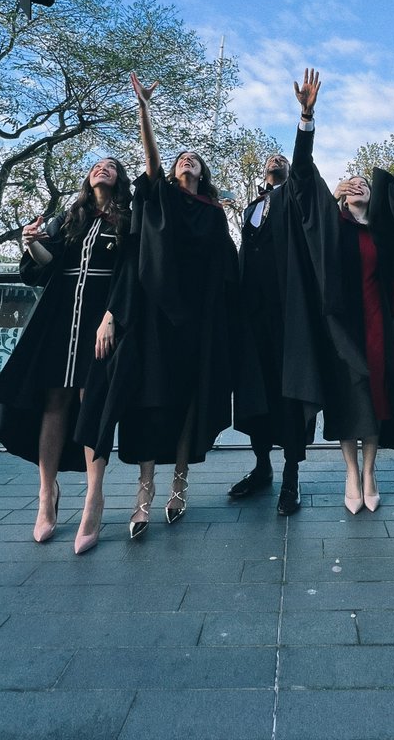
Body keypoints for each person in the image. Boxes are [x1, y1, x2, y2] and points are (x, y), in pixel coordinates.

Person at [86, 73, 239, 538]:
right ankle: (144, 493)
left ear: (203, 173)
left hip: (198, 320)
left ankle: (180, 484)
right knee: (150, 402)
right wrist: (144, 111)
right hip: (154, 315)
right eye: (181, 158)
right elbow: (151, 163)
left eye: (194, 159)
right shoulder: (162, 197)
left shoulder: (214, 214)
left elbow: (227, 272)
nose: (186, 160)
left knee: (188, 402)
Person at [289, 69, 394, 513]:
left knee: (378, 392)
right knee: (348, 394)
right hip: (340, 323)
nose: (359, 184)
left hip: (379, 321)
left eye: (365, 183)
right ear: (343, 195)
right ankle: (350, 470)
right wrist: (307, 117)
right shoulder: (332, 224)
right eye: (352, 183)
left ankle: (370, 470)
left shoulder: (382, 232)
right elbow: (303, 177)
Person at [0, 157, 132, 553]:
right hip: (60, 316)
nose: (102, 169)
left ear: (120, 179)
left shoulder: (128, 220)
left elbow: (131, 273)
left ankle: (94, 497)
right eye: (97, 165)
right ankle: (46, 493)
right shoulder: (68, 218)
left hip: (101, 317)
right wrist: (30, 244)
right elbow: (45, 267)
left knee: (91, 401)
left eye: (111, 167)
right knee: (54, 399)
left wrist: (111, 318)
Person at [230, 142, 327, 517]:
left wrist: (306, 120)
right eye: (272, 159)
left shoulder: (296, 197)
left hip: (289, 313)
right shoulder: (252, 207)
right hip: (252, 315)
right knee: (256, 392)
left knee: (289, 394)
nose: (276, 160)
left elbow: (303, 169)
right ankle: (262, 467)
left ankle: (291, 475)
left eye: (282, 159)